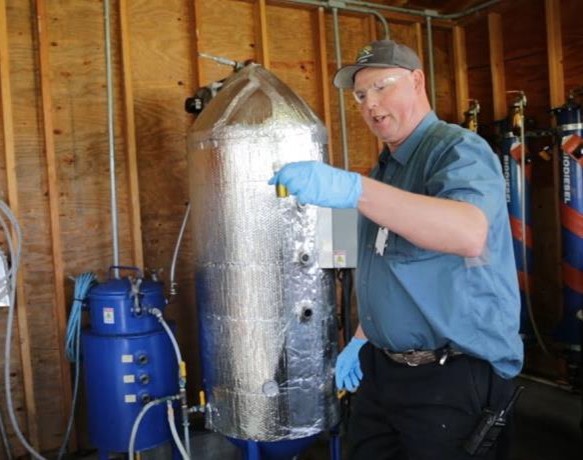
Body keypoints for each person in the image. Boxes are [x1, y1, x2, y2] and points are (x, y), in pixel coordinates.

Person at [269, 39, 524, 459]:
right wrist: (361, 337)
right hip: (383, 372)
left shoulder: (457, 150)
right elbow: (387, 269)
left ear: (417, 81)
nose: (371, 104)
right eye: (361, 95)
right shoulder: (385, 169)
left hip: (451, 377)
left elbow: (467, 232)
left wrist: (354, 189)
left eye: (382, 87)